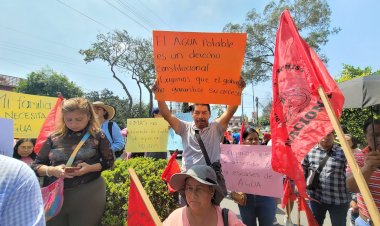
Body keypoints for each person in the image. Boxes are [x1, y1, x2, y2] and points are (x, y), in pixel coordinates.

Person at [31, 97, 114, 226]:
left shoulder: (98, 135)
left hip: (89, 192)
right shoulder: (54, 137)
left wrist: (89, 168)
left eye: (78, 119)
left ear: (89, 116)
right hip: (56, 195)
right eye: (68, 119)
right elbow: (36, 166)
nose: (73, 124)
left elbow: (109, 162)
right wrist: (52, 170)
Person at [163, 165, 245, 226]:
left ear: (212, 191)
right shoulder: (175, 218)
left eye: (199, 188)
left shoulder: (228, 219)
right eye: (189, 188)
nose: (193, 194)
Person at [302, 132, 350, 226]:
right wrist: (299, 185)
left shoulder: (344, 152)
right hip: (316, 198)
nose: (326, 137)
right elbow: (303, 169)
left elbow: (353, 172)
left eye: (329, 134)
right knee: (314, 224)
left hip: (338, 201)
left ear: (334, 136)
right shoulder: (309, 151)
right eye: (322, 134)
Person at [237, 127, 277, 226]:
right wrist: (234, 192)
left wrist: (275, 199)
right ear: (244, 141)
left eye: (256, 139)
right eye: (250, 139)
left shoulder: (268, 155)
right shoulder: (236, 157)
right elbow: (231, 177)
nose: (253, 141)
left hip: (266, 198)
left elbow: (274, 178)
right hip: (245, 200)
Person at [346, 117, 380, 226]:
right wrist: (368, 168)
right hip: (367, 222)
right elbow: (351, 187)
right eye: (375, 135)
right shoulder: (358, 158)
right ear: (366, 136)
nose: (379, 139)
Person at [0, 154, 45, 226]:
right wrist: (50, 170)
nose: (26, 150)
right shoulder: (17, 171)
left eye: (29, 147)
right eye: (23, 147)